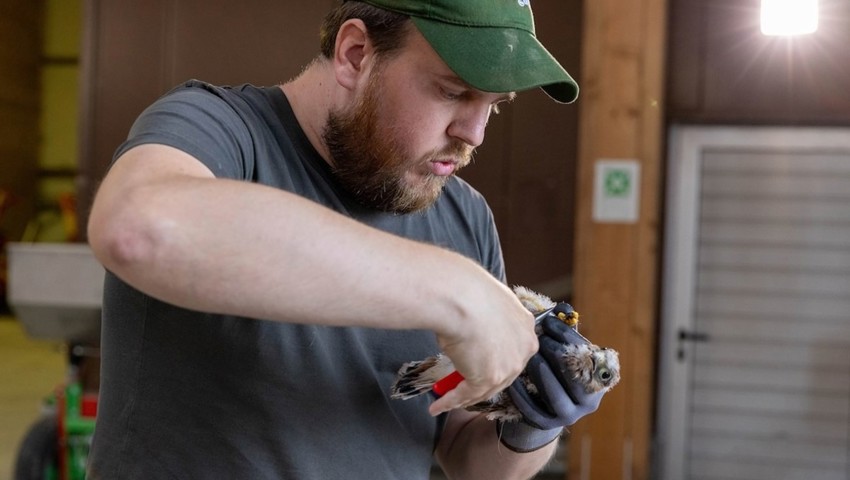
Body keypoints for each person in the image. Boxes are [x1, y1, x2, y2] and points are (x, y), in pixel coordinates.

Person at [85, 1, 606, 478]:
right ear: (355, 54)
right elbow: (139, 226)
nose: (475, 133)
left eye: (495, 104)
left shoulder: (464, 216)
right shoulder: (221, 133)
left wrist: (532, 422)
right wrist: (454, 290)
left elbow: (465, 453)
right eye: (454, 91)